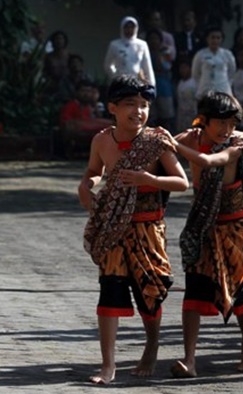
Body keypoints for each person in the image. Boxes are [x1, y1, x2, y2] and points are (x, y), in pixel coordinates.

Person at [79, 75, 189, 384]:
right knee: (110, 292)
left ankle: (152, 345)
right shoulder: (102, 140)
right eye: (130, 104)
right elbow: (93, 171)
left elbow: (182, 182)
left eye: (144, 105)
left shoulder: (156, 141)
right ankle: (108, 365)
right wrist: (87, 185)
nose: (138, 111)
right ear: (112, 108)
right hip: (114, 228)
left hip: (148, 229)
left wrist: (149, 180)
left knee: (150, 294)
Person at [159, 92, 243, 376]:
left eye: (231, 123)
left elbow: (207, 162)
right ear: (203, 121)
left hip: (234, 226)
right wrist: (164, 139)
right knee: (194, 291)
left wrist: (173, 143)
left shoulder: (232, 146)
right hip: (203, 227)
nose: (226, 130)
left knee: (240, 288)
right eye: (220, 123)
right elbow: (165, 148)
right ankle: (189, 359)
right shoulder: (191, 138)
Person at [60, 79, 113, 158]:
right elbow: (67, 124)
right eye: (84, 91)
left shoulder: (89, 107)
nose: (87, 94)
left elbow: (95, 120)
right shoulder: (71, 105)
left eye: (89, 91)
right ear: (77, 92)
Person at [104, 16, 155, 87]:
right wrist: (115, 76)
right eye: (127, 27)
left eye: (132, 27)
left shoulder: (142, 44)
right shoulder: (114, 45)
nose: (129, 30)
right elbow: (107, 65)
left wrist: (151, 84)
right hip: (120, 82)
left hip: (137, 82)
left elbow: (147, 66)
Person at [192, 26, 237, 100]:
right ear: (207, 39)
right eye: (212, 37)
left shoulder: (227, 54)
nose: (215, 40)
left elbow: (232, 72)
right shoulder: (200, 54)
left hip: (223, 89)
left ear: (222, 39)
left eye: (218, 38)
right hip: (205, 89)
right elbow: (195, 74)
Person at [145, 29, 176, 130]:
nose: (154, 41)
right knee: (152, 116)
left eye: (156, 39)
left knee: (166, 116)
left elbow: (165, 66)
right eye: (151, 39)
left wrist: (159, 54)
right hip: (149, 86)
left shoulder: (165, 52)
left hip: (164, 86)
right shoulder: (144, 53)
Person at [176, 58, 197, 132]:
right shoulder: (180, 83)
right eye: (181, 68)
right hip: (182, 117)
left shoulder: (195, 83)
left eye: (185, 68)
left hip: (193, 116)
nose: (183, 70)